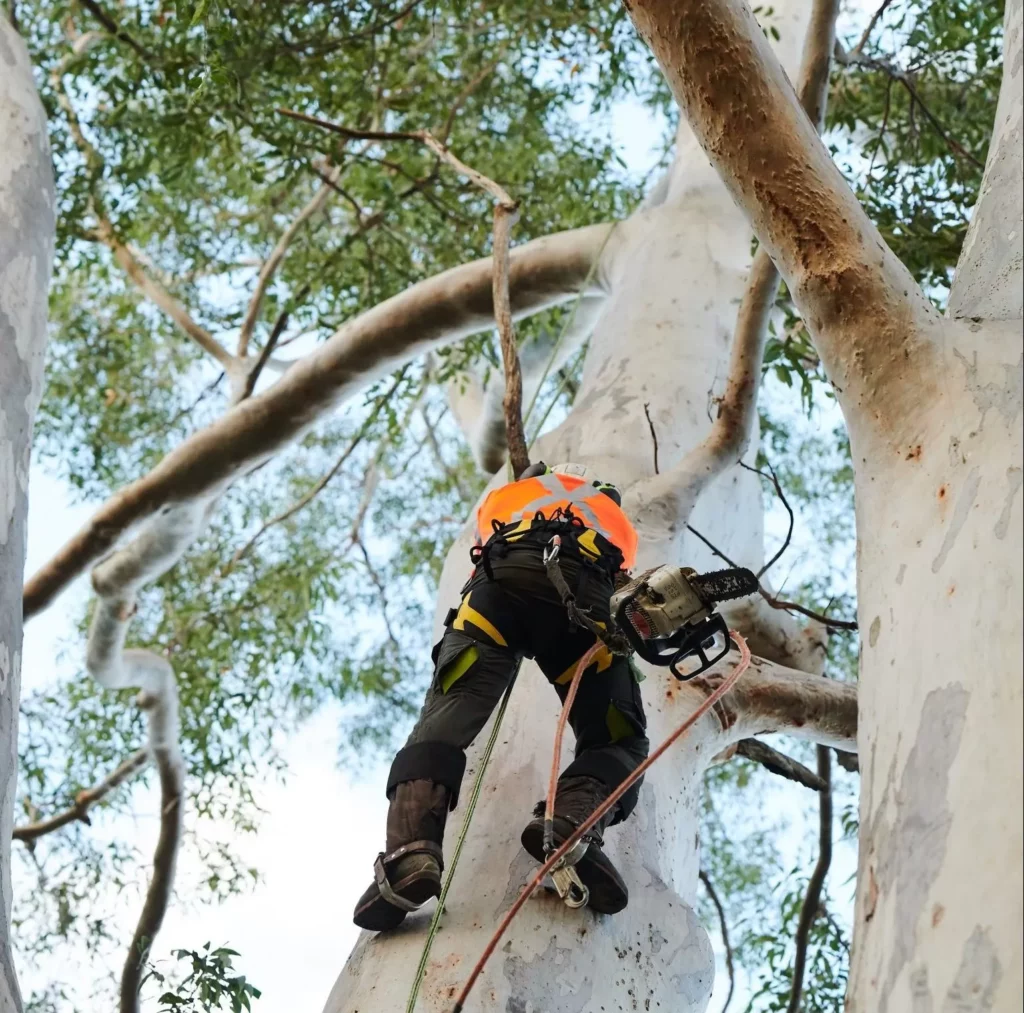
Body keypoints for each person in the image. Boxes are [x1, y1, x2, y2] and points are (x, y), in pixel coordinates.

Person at [352, 462, 649, 931]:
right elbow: (623, 586)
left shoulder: (510, 496)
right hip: (581, 601)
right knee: (618, 738)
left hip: (495, 595)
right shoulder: (613, 519)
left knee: (443, 723)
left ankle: (410, 854)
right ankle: (569, 823)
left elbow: (483, 538)